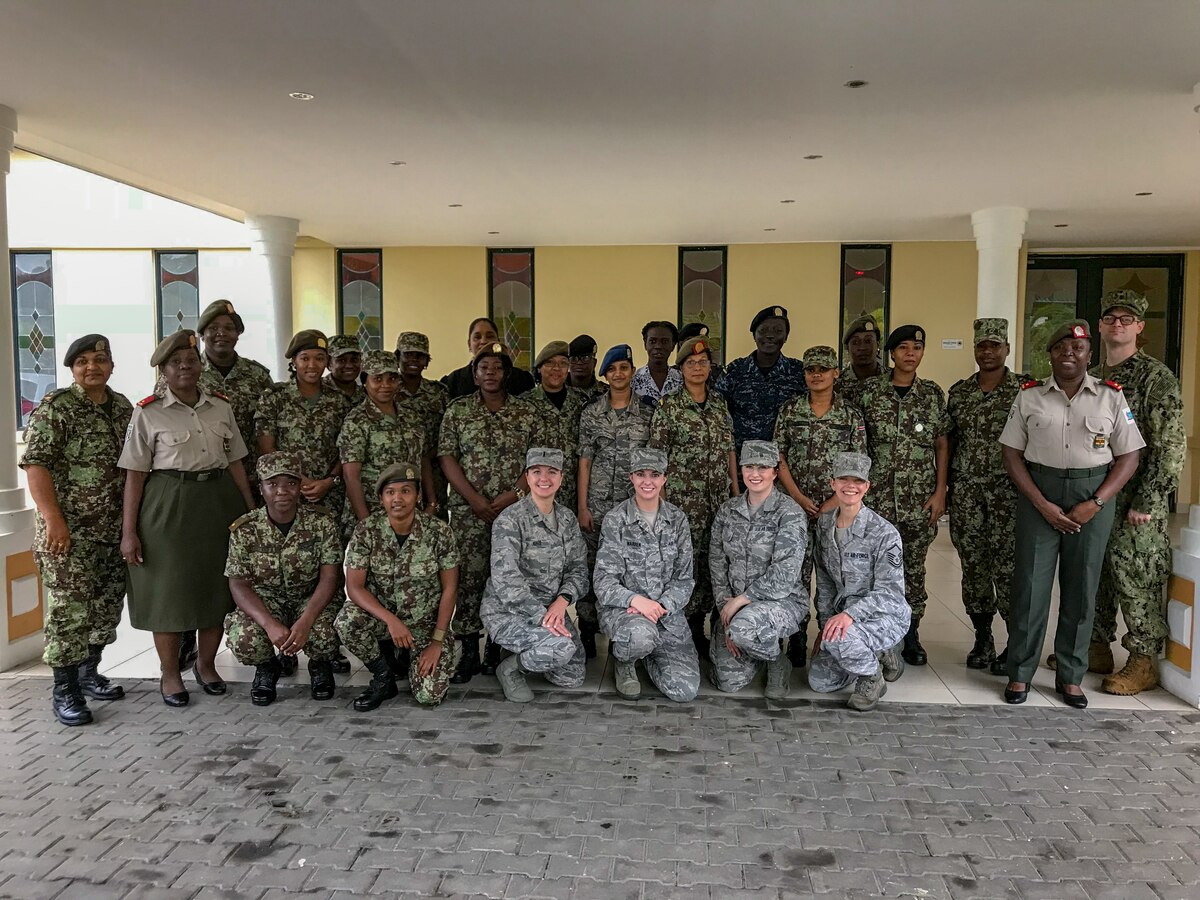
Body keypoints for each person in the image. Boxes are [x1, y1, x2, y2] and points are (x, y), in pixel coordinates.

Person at [1000, 319, 1144, 708]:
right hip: (1039, 494)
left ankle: (1070, 676)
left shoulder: (1111, 397)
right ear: (1050, 354)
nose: (1069, 354)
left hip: (1092, 495)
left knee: (1081, 590)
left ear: (1089, 355)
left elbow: (1129, 456)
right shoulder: (1029, 396)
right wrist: (1041, 503)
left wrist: (1095, 503)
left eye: (1077, 349)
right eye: (1061, 348)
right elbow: (1012, 454)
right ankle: (1020, 673)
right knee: (1030, 588)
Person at [119, 330, 255, 707]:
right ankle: (170, 673)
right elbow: (135, 474)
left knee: (216, 587)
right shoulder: (147, 412)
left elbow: (235, 461)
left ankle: (207, 666)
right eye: (176, 363)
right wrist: (129, 531)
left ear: (200, 366)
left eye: (191, 362)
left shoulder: (220, 406)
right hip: (167, 503)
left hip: (217, 500)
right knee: (168, 591)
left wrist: (248, 510)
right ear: (163, 370)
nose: (185, 368)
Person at [20, 334, 133, 726]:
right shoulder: (57, 408)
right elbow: (36, 464)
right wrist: (54, 519)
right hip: (68, 535)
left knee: (104, 609)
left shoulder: (121, 408)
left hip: (111, 530)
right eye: (82, 361)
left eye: (100, 360)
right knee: (70, 612)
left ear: (111, 366)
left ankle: (89, 673)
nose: (92, 367)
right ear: (71, 368)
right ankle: (64, 689)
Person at [1084, 290, 1185, 695]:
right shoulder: (1092, 376)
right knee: (1099, 575)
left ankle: (1143, 660)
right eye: (1111, 318)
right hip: (1098, 495)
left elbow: (1170, 446)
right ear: (1101, 325)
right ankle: (1096, 647)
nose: (1119, 324)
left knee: (1135, 578)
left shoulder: (1155, 377)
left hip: (1135, 504)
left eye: (1128, 319)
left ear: (1140, 327)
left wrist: (1148, 501)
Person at [168, 299, 272, 672]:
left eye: (228, 328)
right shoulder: (186, 370)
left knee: (243, 563)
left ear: (238, 333)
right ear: (202, 335)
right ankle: (183, 640)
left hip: (246, 479)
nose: (220, 334)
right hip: (197, 479)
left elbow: (266, 427)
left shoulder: (258, 376)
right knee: (187, 561)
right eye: (213, 328)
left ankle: (260, 641)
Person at [255, 330, 354, 675]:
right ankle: (286, 646)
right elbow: (266, 445)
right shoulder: (275, 397)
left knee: (328, 567)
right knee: (285, 570)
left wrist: (329, 480)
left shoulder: (339, 400)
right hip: (284, 497)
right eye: (305, 358)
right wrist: (291, 484)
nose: (312, 365)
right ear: (293, 362)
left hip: (328, 494)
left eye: (319, 359)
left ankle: (326, 646)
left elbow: (347, 448)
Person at [849, 324, 948, 666]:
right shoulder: (869, 393)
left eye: (916, 348)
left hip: (918, 499)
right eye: (903, 348)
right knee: (871, 569)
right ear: (891, 354)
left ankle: (910, 634)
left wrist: (940, 491)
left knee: (913, 569)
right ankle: (873, 633)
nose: (910, 353)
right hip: (875, 501)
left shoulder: (933, 395)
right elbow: (857, 444)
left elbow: (941, 443)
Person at [438, 341, 537, 681]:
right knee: (467, 577)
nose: (491, 373)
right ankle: (468, 648)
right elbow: (447, 457)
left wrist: (515, 493)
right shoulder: (458, 411)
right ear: (475, 375)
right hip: (469, 512)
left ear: (506, 374)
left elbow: (536, 460)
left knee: (508, 576)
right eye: (484, 368)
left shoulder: (526, 413)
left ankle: (498, 644)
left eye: (497, 368)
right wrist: (473, 499)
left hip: (516, 511)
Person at [336, 462, 461, 709]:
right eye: (390, 492)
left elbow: (450, 589)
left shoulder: (439, 532)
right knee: (346, 620)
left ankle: (410, 656)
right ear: (381, 498)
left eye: (405, 491)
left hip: (424, 624)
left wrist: (437, 642)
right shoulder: (366, 531)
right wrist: (391, 621)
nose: (398, 498)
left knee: (428, 696)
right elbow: (355, 588)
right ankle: (384, 678)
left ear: (417, 496)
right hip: (386, 622)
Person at [773, 345, 868, 667]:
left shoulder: (850, 414)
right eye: (810, 369)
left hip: (836, 509)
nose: (816, 375)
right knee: (795, 574)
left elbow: (858, 464)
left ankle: (829, 637)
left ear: (835, 373)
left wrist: (832, 501)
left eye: (823, 369)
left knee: (832, 575)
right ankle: (796, 635)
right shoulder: (790, 410)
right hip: (794, 506)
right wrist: (797, 497)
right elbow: (779, 457)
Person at [224, 452, 342, 706]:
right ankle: (267, 667)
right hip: (266, 601)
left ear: (300, 486)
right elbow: (238, 583)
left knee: (326, 633)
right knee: (245, 639)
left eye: (290, 483)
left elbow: (330, 577)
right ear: (261, 488)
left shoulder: (321, 523)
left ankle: (320, 665)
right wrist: (268, 624)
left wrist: (307, 619)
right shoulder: (245, 529)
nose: (282, 491)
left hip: (310, 598)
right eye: (273, 484)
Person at [650, 334, 738, 655]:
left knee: (714, 561)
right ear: (681, 368)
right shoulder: (669, 407)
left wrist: (736, 489)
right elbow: (657, 457)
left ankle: (708, 622)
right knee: (685, 562)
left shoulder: (718, 404)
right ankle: (687, 625)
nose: (698, 367)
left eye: (703, 362)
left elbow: (729, 448)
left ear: (710, 366)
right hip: (682, 503)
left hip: (718, 501)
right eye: (691, 363)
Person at [946, 319, 1025, 674]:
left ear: (1006, 349)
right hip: (967, 494)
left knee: (1009, 570)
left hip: (1009, 494)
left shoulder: (1026, 390)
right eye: (982, 346)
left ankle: (1015, 642)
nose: (988, 352)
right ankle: (982, 638)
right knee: (973, 568)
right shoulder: (959, 393)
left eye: (994, 345)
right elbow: (949, 444)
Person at [480, 449, 590, 702]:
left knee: (571, 675)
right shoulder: (510, 520)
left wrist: (562, 601)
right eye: (536, 471)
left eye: (552, 472)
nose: (544, 478)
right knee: (560, 648)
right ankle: (510, 668)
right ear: (527, 477)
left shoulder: (566, 519)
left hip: (550, 609)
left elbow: (578, 569)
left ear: (561, 478)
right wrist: (544, 618)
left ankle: (535, 650)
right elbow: (508, 584)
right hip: (507, 611)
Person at [593, 448, 699, 702]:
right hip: (625, 613)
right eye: (641, 474)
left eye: (655, 474)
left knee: (684, 692)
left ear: (664, 479)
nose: (647, 481)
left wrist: (661, 605)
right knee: (641, 635)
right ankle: (624, 659)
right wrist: (635, 601)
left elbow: (685, 578)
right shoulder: (616, 520)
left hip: (666, 616)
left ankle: (647, 656)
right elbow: (603, 581)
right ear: (631, 478)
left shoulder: (677, 519)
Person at [808, 452, 909, 712]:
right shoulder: (825, 526)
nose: (850, 486)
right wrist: (824, 625)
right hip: (844, 616)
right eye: (843, 479)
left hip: (883, 614)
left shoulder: (884, 533)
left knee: (839, 640)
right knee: (819, 681)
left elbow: (890, 593)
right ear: (833, 483)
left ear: (867, 486)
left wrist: (848, 617)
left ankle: (873, 677)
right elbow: (826, 584)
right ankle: (874, 652)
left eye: (858, 481)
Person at [708, 441, 806, 699]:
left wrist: (741, 603)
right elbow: (717, 566)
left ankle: (776, 660)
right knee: (727, 681)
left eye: (763, 467)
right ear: (740, 469)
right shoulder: (728, 511)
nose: (755, 473)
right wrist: (725, 612)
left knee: (743, 631)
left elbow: (785, 575)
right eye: (749, 466)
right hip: (733, 607)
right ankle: (751, 645)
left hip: (782, 603)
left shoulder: (790, 513)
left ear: (775, 472)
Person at [576, 344, 655, 657]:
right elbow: (584, 460)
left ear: (632, 371)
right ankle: (587, 627)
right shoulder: (592, 413)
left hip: (633, 505)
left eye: (624, 367)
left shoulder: (649, 412)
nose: (619, 374)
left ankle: (624, 629)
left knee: (631, 566)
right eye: (612, 369)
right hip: (598, 503)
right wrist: (582, 506)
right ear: (605, 375)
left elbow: (654, 462)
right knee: (592, 564)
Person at [338, 350, 435, 531]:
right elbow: (351, 476)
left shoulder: (411, 417)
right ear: (365, 382)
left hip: (412, 514)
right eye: (377, 379)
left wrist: (431, 503)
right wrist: (367, 524)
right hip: (373, 514)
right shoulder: (357, 421)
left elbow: (423, 460)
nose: (385, 385)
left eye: (391, 378)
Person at [715, 305, 806, 458]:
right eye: (763, 331)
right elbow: (718, 412)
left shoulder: (798, 372)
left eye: (778, 331)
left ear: (786, 336)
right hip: (743, 461)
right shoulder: (735, 370)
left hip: (784, 461)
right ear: (754, 335)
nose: (770, 336)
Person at [525, 340, 589, 514]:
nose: (556, 369)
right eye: (549, 363)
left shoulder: (581, 402)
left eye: (563, 364)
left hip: (573, 493)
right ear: (539, 368)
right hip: (537, 491)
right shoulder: (524, 404)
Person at [396, 331, 450, 516]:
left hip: (434, 474)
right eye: (408, 354)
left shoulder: (439, 393)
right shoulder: (386, 391)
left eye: (419, 356)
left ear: (427, 361)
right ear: (397, 357)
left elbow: (448, 433)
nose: (414, 360)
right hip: (397, 472)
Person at [442, 317, 535, 399]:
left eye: (490, 336)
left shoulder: (521, 379)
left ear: (498, 341)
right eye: (477, 337)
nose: (483, 341)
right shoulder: (453, 381)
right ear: (469, 344)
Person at [632, 320, 682, 405]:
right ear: (645, 344)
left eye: (665, 342)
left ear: (673, 346)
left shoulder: (682, 380)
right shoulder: (633, 381)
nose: (658, 346)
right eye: (653, 341)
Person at [838, 314, 887, 396]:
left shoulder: (893, 380)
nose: (862, 347)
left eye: (868, 341)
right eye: (855, 342)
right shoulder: (836, 383)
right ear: (848, 349)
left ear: (878, 345)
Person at [323, 335, 366, 406]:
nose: (349, 365)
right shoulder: (317, 393)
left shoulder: (367, 394)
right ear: (329, 364)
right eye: (342, 360)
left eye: (354, 360)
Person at [567, 334, 606, 400]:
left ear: (594, 363)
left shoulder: (607, 393)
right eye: (574, 358)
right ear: (568, 363)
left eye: (586, 358)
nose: (579, 363)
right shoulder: (555, 391)